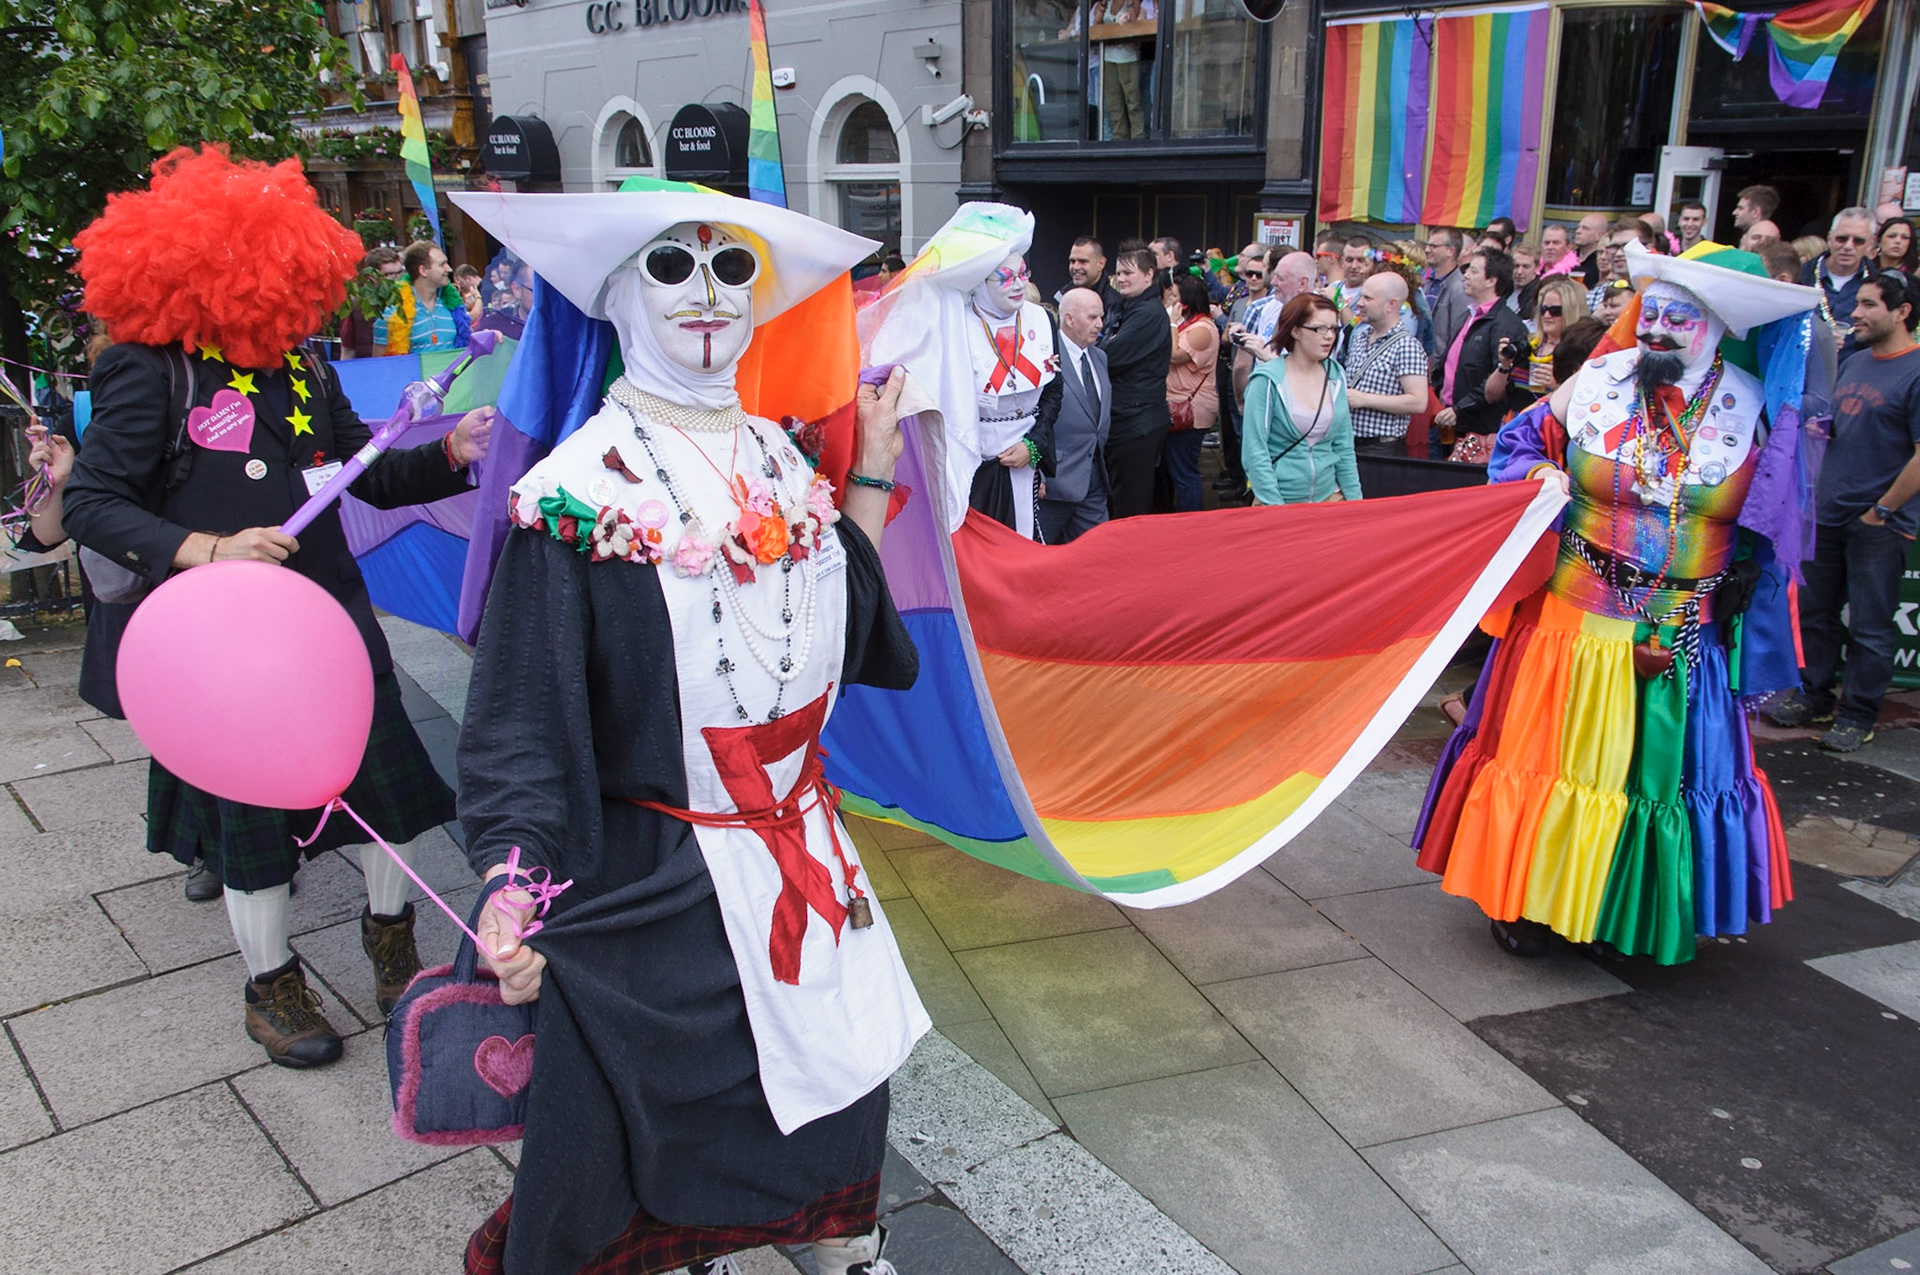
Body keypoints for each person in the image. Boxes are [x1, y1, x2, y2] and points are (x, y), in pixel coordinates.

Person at [450, 178, 926, 1275]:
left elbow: (842, 637)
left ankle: (845, 1249)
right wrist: (512, 881)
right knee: (677, 1130)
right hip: (663, 882)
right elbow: (520, 716)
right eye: (672, 266)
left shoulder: (780, 457)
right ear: (620, 297)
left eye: (731, 268)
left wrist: (869, 471)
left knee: (841, 1097)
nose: (706, 293)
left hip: (806, 858)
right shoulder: (575, 498)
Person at [60, 146, 494, 1068]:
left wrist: (450, 450)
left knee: (396, 803)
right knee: (252, 830)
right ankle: (272, 986)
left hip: (333, 625)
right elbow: (94, 505)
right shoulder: (150, 369)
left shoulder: (302, 364)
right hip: (227, 644)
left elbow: (365, 477)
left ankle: (393, 945)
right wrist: (210, 548)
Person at [1417, 241, 1822, 964]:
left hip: (1683, 634)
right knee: (1561, 766)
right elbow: (1517, 442)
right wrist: (1544, 474)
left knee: (1652, 774)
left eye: (1680, 316)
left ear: (1719, 326)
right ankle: (1533, 902)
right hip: (1572, 625)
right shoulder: (1600, 378)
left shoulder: (1755, 408)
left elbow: (1772, 522)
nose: (1658, 328)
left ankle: (1626, 908)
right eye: (1652, 310)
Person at [1768, 269, 1920, 751]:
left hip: (1880, 519)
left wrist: (1882, 509)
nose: (1855, 313)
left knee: (1871, 624)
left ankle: (1858, 713)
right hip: (1830, 511)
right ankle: (1814, 695)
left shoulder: (1916, 370)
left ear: (1902, 312)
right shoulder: (1855, 361)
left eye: (1870, 305)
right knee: (1816, 612)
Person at [960, 249, 1060, 538]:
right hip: (973, 462)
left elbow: (1054, 392)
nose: (1018, 284)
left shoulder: (1041, 318)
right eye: (1005, 277)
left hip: (1025, 458)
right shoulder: (957, 324)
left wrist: (1034, 445)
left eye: (1022, 274)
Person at [1241, 293, 1360, 505]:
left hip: (1330, 497)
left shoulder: (1336, 374)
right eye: (1319, 329)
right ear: (1295, 331)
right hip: (1280, 501)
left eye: (1333, 328)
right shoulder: (1267, 381)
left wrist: (1356, 502)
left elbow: (1344, 446)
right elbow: (1255, 452)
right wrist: (1276, 509)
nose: (1329, 336)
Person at [1099, 247, 1173, 517]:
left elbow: (1110, 357)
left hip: (1136, 421)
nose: (1121, 279)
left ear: (1149, 275)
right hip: (1128, 418)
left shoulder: (1148, 314)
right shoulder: (1131, 308)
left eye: (1128, 272)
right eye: (1118, 273)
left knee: (1130, 505)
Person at [1434, 248, 1529, 446]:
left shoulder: (1505, 323)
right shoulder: (1468, 315)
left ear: (1491, 280)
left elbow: (1499, 379)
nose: (1465, 276)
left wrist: (1459, 409)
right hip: (1448, 420)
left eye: (1474, 271)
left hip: (1478, 429)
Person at [1041, 286, 1112, 542]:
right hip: (1052, 484)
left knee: (1097, 556)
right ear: (1069, 319)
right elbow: (1032, 420)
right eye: (1092, 317)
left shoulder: (1099, 357)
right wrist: (1037, 473)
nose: (1100, 324)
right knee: (1042, 560)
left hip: (1093, 481)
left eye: (1101, 317)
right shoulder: (1044, 356)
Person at [1341, 271, 1429, 456]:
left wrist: (1365, 399)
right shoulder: (1360, 337)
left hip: (1382, 448)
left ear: (1391, 305)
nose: (1360, 303)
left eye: (1368, 298)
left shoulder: (1406, 346)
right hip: (1349, 441)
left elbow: (1418, 402)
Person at [1213, 245, 1267, 497]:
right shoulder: (1240, 301)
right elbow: (1224, 338)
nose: (1254, 278)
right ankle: (1240, 480)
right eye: (1249, 273)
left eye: (1259, 274)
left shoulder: (1269, 306)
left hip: (1257, 380)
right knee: (1235, 433)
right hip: (1233, 371)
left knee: (1253, 437)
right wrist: (1230, 332)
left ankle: (1251, 488)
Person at [1163, 271, 1218, 511]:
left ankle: (1190, 519)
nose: (1171, 301)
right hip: (1177, 403)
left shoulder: (1203, 330)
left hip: (1192, 410)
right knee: (1177, 468)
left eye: (1175, 296)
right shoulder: (1191, 324)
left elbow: (1174, 355)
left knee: (1185, 471)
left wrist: (1173, 322)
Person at [373, 239, 472, 354]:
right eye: (442, 264)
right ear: (423, 270)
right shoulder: (392, 312)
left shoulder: (453, 306)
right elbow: (379, 364)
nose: (449, 269)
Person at [1805, 206, 1875, 360]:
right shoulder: (1801, 277)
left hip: (1855, 375)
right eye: (1841, 238)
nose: (1848, 246)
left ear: (1870, 244)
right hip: (1803, 372)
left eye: (1858, 241)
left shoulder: (1880, 285)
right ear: (1830, 238)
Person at [1524, 276, 1589, 398]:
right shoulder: (1528, 344)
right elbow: (1493, 395)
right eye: (1543, 309)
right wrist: (1504, 367)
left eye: (1555, 310)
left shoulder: (1581, 353)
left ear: (1571, 311)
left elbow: (1584, 399)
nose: (1547, 315)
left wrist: (1557, 387)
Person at [337, 246, 403, 360]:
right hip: (369, 368)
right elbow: (347, 349)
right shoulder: (357, 305)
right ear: (372, 277)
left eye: (400, 272)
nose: (397, 279)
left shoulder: (410, 300)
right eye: (389, 274)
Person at [1424, 227, 1470, 360]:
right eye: (1428, 245)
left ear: (1450, 251)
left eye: (1433, 246)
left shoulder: (1460, 288)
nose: (1427, 250)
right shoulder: (1427, 283)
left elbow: (1457, 335)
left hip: (1438, 369)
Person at [1055, 235, 1121, 314]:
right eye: (1072, 261)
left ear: (1101, 263)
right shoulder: (1063, 296)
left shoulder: (1114, 304)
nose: (1076, 267)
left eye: (1083, 261)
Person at [477, 260, 534, 340]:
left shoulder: (556, 326)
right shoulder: (497, 325)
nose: (545, 296)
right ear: (517, 290)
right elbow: (472, 350)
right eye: (537, 290)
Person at [1329, 236, 1372, 325]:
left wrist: (1339, 301)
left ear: (1370, 262)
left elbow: (1356, 329)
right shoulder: (1333, 287)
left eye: (1360, 260)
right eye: (1349, 260)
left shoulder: (1373, 294)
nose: (1354, 266)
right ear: (1342, 262)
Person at [1571, 213, 1611, 287]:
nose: (1578, 231)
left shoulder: (1602, 261)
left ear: (1599, 236)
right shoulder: (1568, 257)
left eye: (1585, 228)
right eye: (1578, 227)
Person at [1507, 243, 1541, 320]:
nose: (1519, 272)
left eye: (1526, 267)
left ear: (1537, 268)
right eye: (1516, 266)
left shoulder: (1538, 296)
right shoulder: (1503, 289)